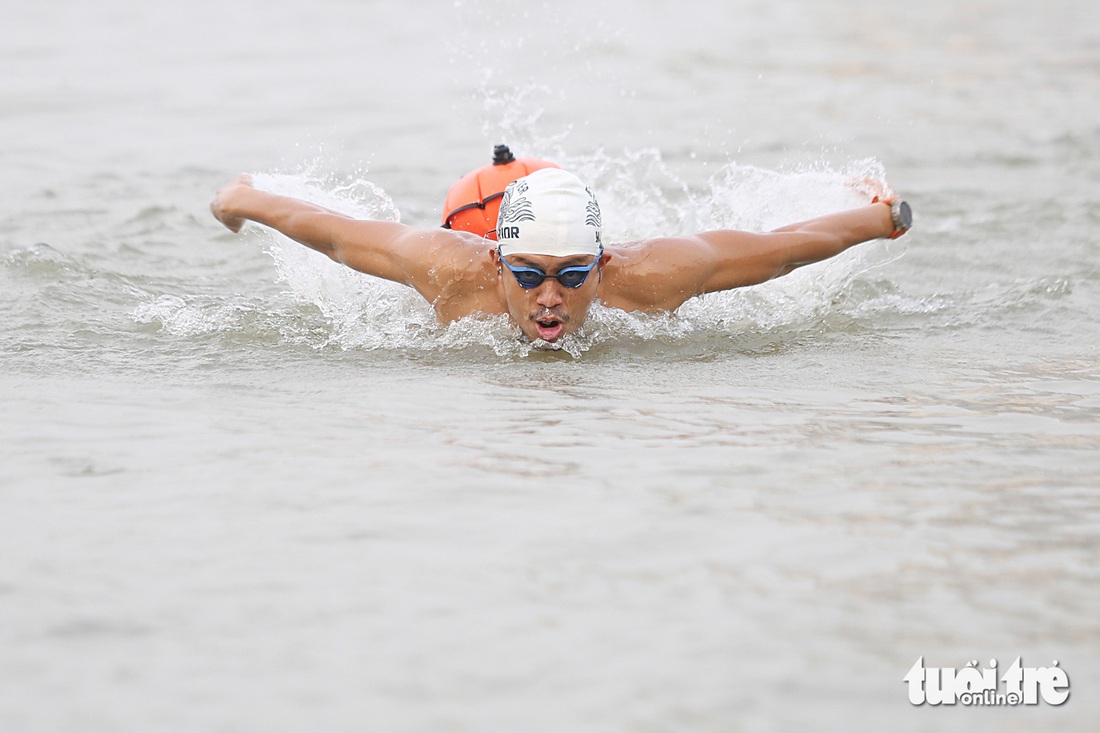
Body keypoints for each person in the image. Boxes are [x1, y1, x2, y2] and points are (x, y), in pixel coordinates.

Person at [210, 157, 912, 343]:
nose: (550, 298)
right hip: (480, 217)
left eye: (572, 277)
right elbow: (335, 233)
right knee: (465, 205)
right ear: (498, 264)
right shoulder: (452, 269)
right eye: (532, 277)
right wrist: (243, 199)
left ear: (600, 267)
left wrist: (878, 219)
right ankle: (499, 187)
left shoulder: (649, 278)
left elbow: (777, 251)